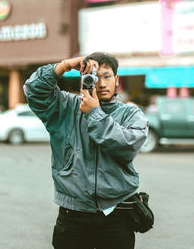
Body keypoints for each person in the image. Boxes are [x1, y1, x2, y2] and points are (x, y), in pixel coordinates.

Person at [24, 52, 148, 249]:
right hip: (73, 214)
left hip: (117, 214)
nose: (101, 84)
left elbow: (126, 146)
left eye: (107, 76)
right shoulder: (65, 107)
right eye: (94, 77)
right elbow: (34, 90)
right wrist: (64, 65)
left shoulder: (130, 114)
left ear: (116, 79)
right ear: (83, 80)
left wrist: (93, 112)